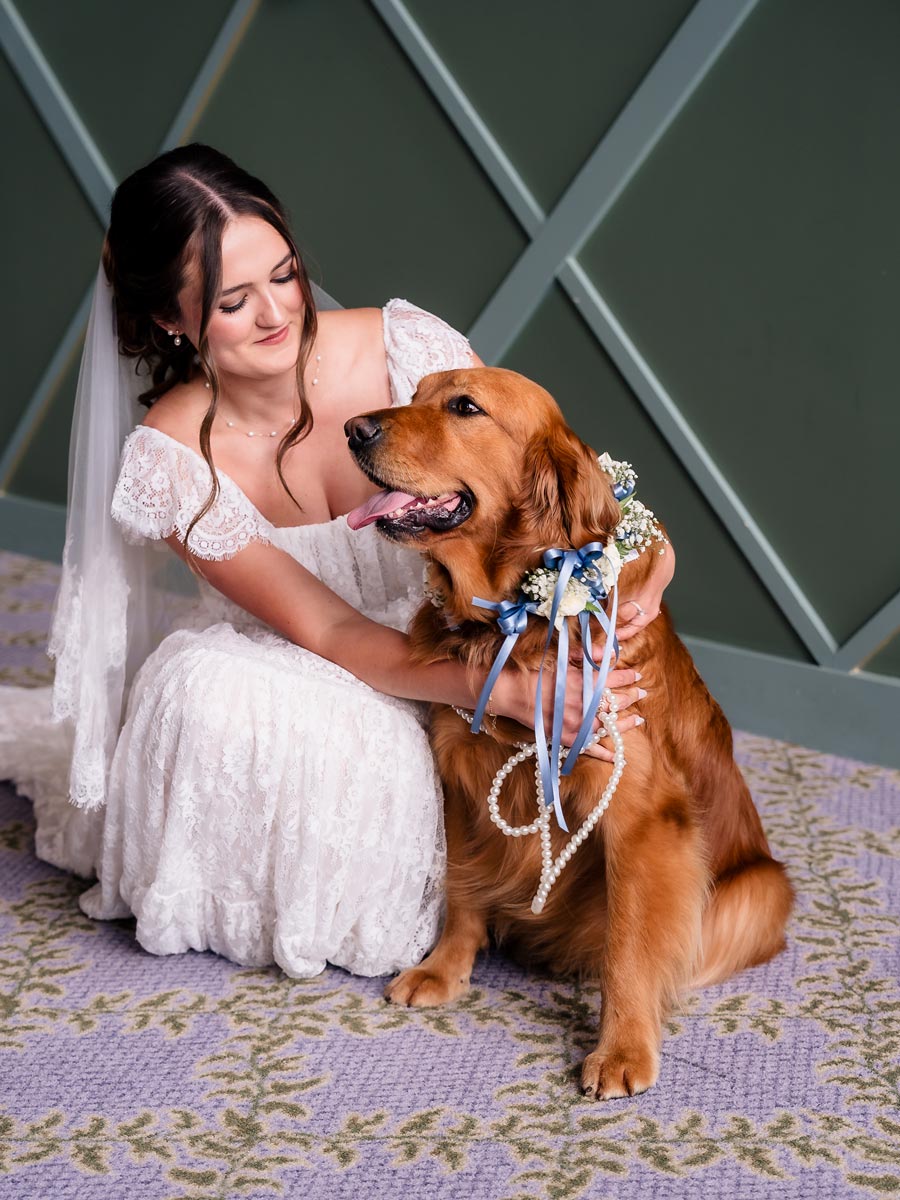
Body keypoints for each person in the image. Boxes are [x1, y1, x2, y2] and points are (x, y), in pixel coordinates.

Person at [0, 145, 674, 979]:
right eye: (234, 301)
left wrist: (654, 561)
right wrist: (501, 692)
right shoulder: (172, 452)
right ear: (174, 321)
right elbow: (325, 624)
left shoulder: (404, 346)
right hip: (318, 654)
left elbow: (535, 477)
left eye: (284, 275)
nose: (277, 314)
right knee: (210, 697)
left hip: (450, 627)